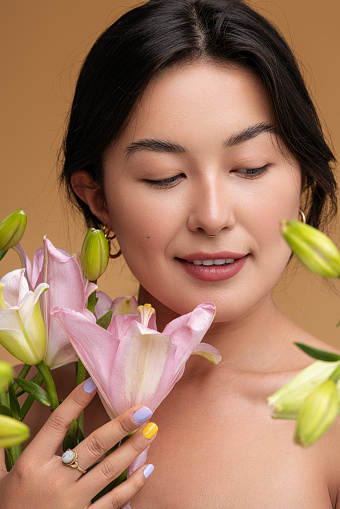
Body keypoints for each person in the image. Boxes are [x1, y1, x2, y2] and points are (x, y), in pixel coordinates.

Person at [1, 0, 339, 507]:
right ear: (98, 199)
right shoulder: (32, 408)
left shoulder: (329, 417)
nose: (213, 214)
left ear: (304, 175)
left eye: (249, 167)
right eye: (165, 176)